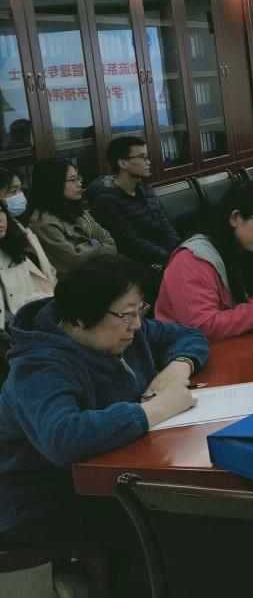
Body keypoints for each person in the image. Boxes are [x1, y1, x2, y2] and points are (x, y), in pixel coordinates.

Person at [0, 255, 208, 597]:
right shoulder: (39, 366)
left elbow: (188, 334)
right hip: (36, 499)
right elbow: (63, 438)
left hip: (104, 473)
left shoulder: (122, 330)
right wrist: (153, 410)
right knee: (164, 528)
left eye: (139, 310)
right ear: (83, 317)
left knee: (185, 514)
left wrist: (180, 365)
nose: (137, 325)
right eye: (127, 314)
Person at [156, 182, 253, 341]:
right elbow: (204, 326)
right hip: (186, 349)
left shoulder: (240, 247)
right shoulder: (190, 260)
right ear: (235, 218)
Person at [86, 136, 181, 274]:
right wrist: (171, 259)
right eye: (142, 157)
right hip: (137, 267)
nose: (148, 162)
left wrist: (180, 251)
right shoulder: (105, 201)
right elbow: (133, 243)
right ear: (123, 163)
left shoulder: (144, 188)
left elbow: (166, 225)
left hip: (165, 257)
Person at [27, 157, 117, 277]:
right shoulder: (43, 223)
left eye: (78, 178)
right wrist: (95, 244)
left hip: (103, 271)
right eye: (72, 180)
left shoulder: (74, 209)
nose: (79, 184)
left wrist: (85, 248)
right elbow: (75, 261)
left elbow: (108, 240)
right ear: (54, 184)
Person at [0, 198, 57, 323]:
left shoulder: (11, 248)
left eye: (0, 211)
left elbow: (27, 295)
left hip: (22, 323)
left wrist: (53, 301)